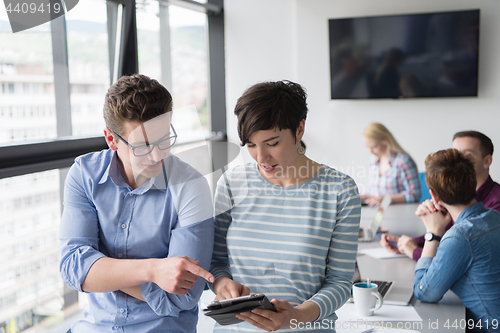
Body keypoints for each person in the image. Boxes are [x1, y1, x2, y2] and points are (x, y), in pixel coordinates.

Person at [59, 74, 215, 332]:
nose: (157, 155)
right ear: (112, 140)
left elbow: (183, 296)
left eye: (164, 139)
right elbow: (72, 269)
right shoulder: (84, 174)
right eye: (142, 146)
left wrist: (102, 267)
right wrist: (153, 270)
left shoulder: (191, 186)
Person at [210, 80, 361, 332]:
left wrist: (297, 315)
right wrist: (222, 283)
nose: (261, 158)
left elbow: (340, 283)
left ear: (299, 129)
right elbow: (215, 261)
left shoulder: (340, 190)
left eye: (272, 143)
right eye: (250, 145)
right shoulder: (232, 183)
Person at [412, 148, 500, 332]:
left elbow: (424, 292)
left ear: (434, 195)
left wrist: (433, 232)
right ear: (473, 182)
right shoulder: (494, 217)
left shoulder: (461, 236)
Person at [381, 131, 500, 260]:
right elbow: (445, 233)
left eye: (467, 155)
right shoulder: (457, 195)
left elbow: (459, 257)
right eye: (455, 154)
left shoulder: (496, 203)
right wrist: (408, 243)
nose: (459, 162)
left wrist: (415, 251)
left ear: (487, 161)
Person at [361, 122, 420, 206]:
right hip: (377, 213)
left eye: (374, 147)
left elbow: (414, 195)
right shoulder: (373, 161)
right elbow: (375, 193)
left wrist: (386, 199)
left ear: (386, 140)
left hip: (398, 214)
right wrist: (364, 197)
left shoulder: (403, 161)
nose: (370, 151)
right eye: (367, 147)